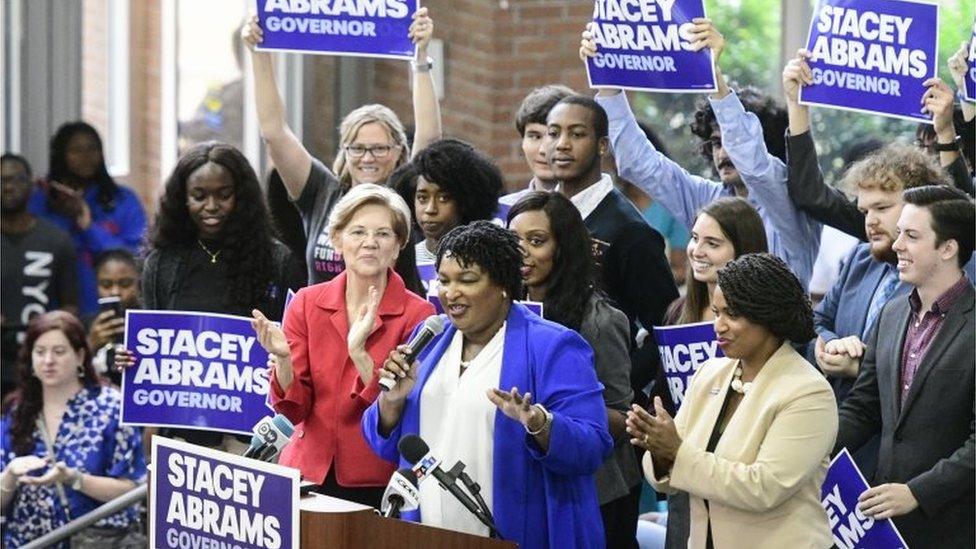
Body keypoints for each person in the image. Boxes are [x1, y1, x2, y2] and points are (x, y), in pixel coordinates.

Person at [363, 221, 611, 548]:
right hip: (426, 533)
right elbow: (384, 444)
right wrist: (391, 402)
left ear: (503, 285)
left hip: (517, 533)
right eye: (444, 280)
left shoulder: (553, 346)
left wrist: (540, 424)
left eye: (467, 280)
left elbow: (593, 445)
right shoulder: (430, 340)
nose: (451, 293)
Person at [581, 20, 821, 291]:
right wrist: (606, 76)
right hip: (715, 331)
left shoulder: (787, 203)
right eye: (716, 143)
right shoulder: (709, 199)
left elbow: (755, 166)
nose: (724, 152)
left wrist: (713, 77)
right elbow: (640, 165)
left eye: (731, 140)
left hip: (783, 333)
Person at [627, 253, 836, 548]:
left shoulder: (808, 392)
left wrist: (676, 450)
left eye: (732, 315)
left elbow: (763, 488)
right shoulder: (709, 373)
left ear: (767, 315)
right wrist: (659, 450)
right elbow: (670, 476)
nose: (718, 326)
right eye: (716, 312)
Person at [251, 184, 434, 508]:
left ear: (399, 246)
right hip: (306, 473)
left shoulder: (419, 314)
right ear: (337, 240)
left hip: (377, 480)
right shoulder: (307, 302)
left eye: (383, 234)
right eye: (358, 231)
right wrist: (283, 362)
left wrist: (360, 355)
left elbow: (404, 412)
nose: (369, 243)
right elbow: (293, 410)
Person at [242, 8, 441, 287]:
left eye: (379, 148)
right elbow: (274, 133)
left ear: (399, 152)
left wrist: (420, 59)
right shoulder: (321, 191)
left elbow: (430, 138)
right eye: (357, 148)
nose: (367, 158)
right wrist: (259, 51)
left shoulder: (405, 194)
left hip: (391, 325)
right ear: (344, 152)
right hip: (323, 324)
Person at [135, 142, 306, 450]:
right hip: (183, 434)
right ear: (182, 199)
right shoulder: (161, 263)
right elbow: (152, 346)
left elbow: (297, 346)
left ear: (241, 197)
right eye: (199, 196)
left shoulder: (278, 261)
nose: (211, 205)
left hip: (255, 438)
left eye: (223, 194)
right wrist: (132, 361)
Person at [835, 186, 975, 548]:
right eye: (899, 233)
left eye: (911, 236)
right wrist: (811, 447)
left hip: (954, 525)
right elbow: (863, 408)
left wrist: (917, 492)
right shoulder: (892, 314)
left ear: (948, 248)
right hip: (884, 525)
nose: (897, 245)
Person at [507, 191, 641, 548]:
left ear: (563, 248)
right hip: (524, 481)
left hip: (595, 490)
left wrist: (553, 418)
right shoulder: (500, 314)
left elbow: (622, 418)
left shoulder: (600, 320)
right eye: (512, 240)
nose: (521, 251)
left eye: (536, 241)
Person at [544, 94, 678, 405]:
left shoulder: (630, 230)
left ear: (602, 146)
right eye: (553, 133)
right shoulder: (538, 215)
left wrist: (617, 384)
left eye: (576, 134)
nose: (562, 144)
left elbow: (666, 326)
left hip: (600, 402)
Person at [656, 197, 767, 549]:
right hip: (684, 473)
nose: (696, 251)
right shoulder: (677, 311)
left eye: (713, 243)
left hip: (737, 476)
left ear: (743, 249)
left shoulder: (765, 320)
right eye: (694, 238)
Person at [0, 311, 146, 548]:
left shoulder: (111, 407)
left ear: (79, 356)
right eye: (40, 352)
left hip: (93, 541)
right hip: (26, 541)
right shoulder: (16, 411)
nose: (48, 361)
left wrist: (75, 479)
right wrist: (10, 475)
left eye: (59, 352)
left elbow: (133, 490)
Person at [28, 122, 147, 316]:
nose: (86, 157)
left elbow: (135, 256)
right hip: (53, 308)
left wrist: (88, 224)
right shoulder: (40, 201)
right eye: (76, 150)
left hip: (109, 308)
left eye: (92, 148)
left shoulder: (124, 199)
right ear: (61, 154)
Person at [1, 153, 78, 397]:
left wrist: (56, 337)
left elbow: (70, 306)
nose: (9, 187)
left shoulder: (56, 240)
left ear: (32, 185)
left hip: (41, 366)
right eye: (2, 180)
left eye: (17, 180)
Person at [392, 138, 502, 291]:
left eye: (444, 198)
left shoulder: (489, 260)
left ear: (466, 202)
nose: (430, 209)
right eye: (422, 198)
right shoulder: (400, 260)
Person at [497, 84, 576, 215]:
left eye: (554, 136)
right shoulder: (501, 211)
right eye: (535, 136)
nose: (543, 150)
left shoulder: (600, 212)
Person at [87, 249, 142, 385]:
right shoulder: (85, 325)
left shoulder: (151, 324)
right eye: (106, 285)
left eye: (125, 284)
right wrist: (91, 344)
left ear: (140, 284)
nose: (115, 292)